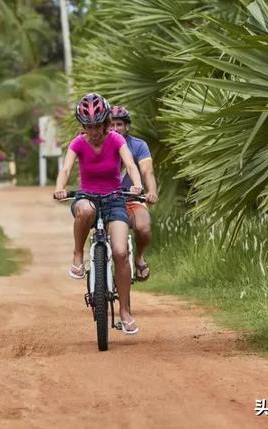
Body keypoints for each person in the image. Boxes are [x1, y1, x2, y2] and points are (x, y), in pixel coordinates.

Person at [54, 93, 143, 335]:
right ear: (82, 126)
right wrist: (60, 188)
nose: (93, 131)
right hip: (88, 197)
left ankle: (125, 311)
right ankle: (77, 254)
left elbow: (131, 164)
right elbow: (66, 168)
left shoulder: (115, 140)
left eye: (97, 125)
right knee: (84, 210)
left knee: (121, 252)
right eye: (88, 126)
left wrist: (136, 184)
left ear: (105, 123)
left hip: (115, 200)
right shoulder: (78, 143)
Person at [110, 105, 158, 281]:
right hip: (107, 200)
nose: (115, 129)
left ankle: (138, 257)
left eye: (119, 124)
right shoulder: (101, 144)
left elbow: (147, 172)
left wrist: (151, 191)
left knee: (143, 228)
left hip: (132, 200)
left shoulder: (138, 145)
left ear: (127, 126)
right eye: (111, 125)